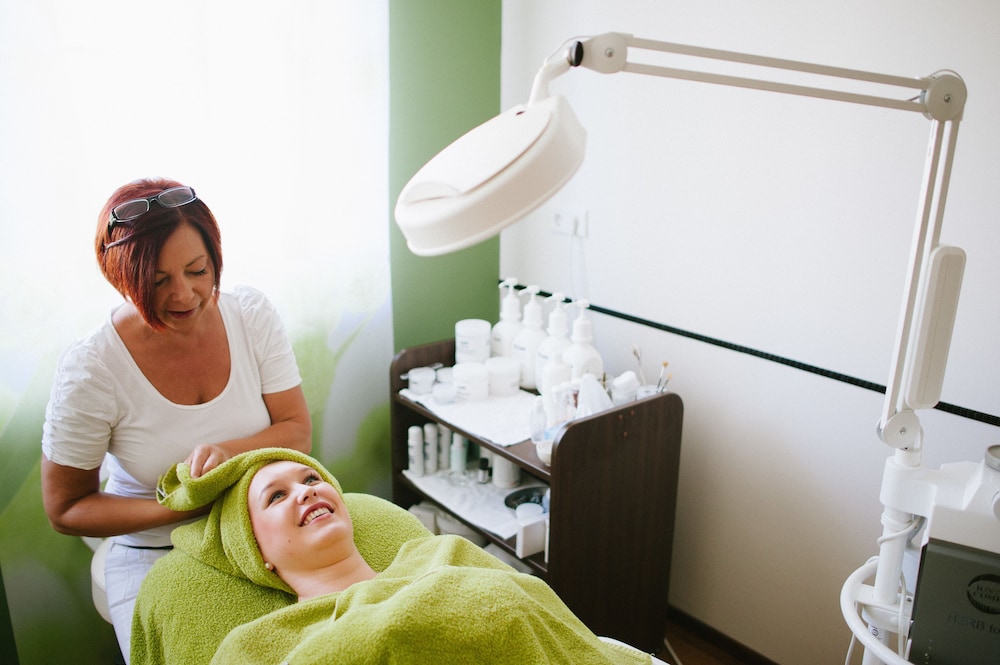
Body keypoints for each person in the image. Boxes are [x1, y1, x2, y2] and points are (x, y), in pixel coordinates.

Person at [40, 178, 312, 662]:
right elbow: (66, 508)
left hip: (259, 529)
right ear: (122, 278)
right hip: (153, 550)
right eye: (159, 281)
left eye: (198, 270)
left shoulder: (250, 316)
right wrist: (184, 507)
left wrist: (229, 453)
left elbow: (295, 429)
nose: (184, 294)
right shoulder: (92, 369)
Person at [151, 448, 651, 665]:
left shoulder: (440, 554)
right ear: (256, 551)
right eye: (276, 496)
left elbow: (550, 627)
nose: (305, 491)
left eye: (311, 479)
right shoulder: (256, 646)